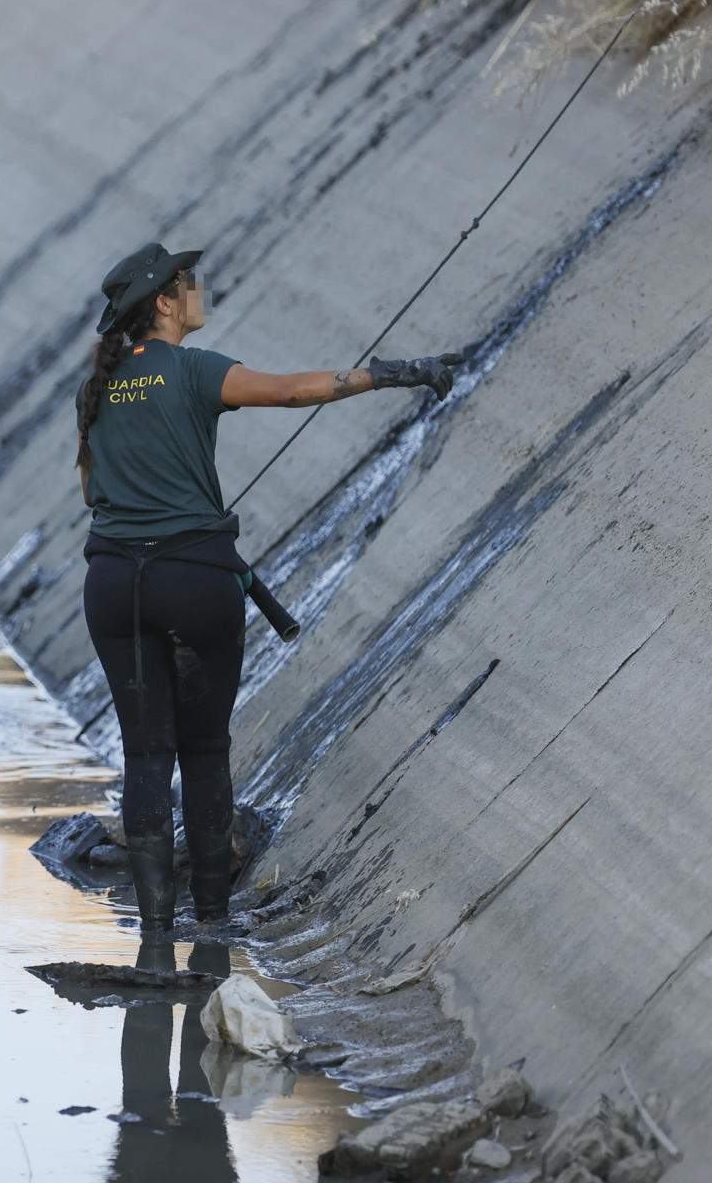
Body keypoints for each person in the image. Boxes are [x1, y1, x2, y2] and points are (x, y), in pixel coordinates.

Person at [76, 242, 461, 934]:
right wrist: (396, 372)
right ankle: (213, 924)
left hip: (112, 584)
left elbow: (92, 489)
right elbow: (291, 391)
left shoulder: (99, 385)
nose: (200, 289)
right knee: (203, 750)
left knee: (144, 754)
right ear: (164, 303)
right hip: (194, 582)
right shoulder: (192, 371)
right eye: (188, 283)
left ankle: (157, 935)